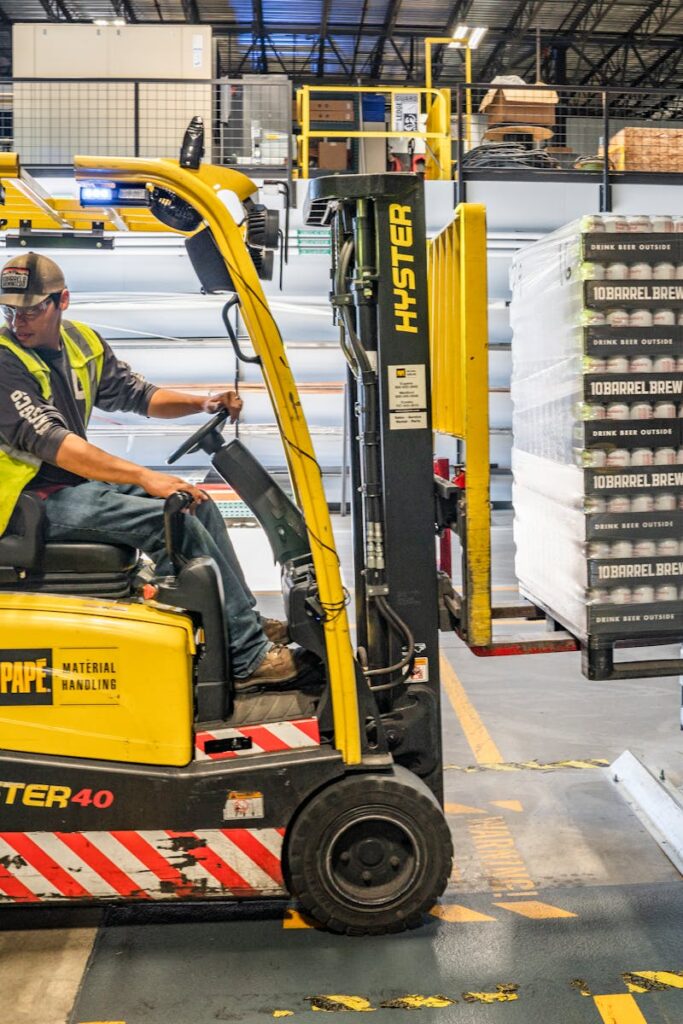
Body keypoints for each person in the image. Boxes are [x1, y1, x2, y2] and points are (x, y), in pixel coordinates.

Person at [0, 251, 302, 690]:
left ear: (62, 301)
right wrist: (144, 476)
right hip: (27, 505)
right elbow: (56, 445)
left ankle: (243, 624)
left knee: (196, 505)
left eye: (31, 309)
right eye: (10, 310)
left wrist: (201, 403)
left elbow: (138, 395)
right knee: (168, 521)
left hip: (68, 488)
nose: (18, 321)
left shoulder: (82, 343)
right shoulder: (5, 362)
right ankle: (247, 656)